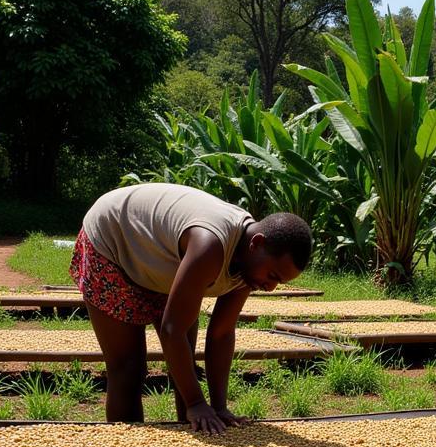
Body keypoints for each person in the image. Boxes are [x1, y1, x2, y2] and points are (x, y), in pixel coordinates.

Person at [70, 182, 312, 434]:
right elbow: (171, 330)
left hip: (160, 252)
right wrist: (197, 403)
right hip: (113, 237)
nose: (270, 287)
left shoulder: (251, 264)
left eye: (279, 282)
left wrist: (218, 407)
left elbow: (221, 333)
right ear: (257, 243)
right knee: (129, 367)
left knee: (183, 361)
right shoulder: (210, 245)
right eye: (272, 275)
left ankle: (192, 437)